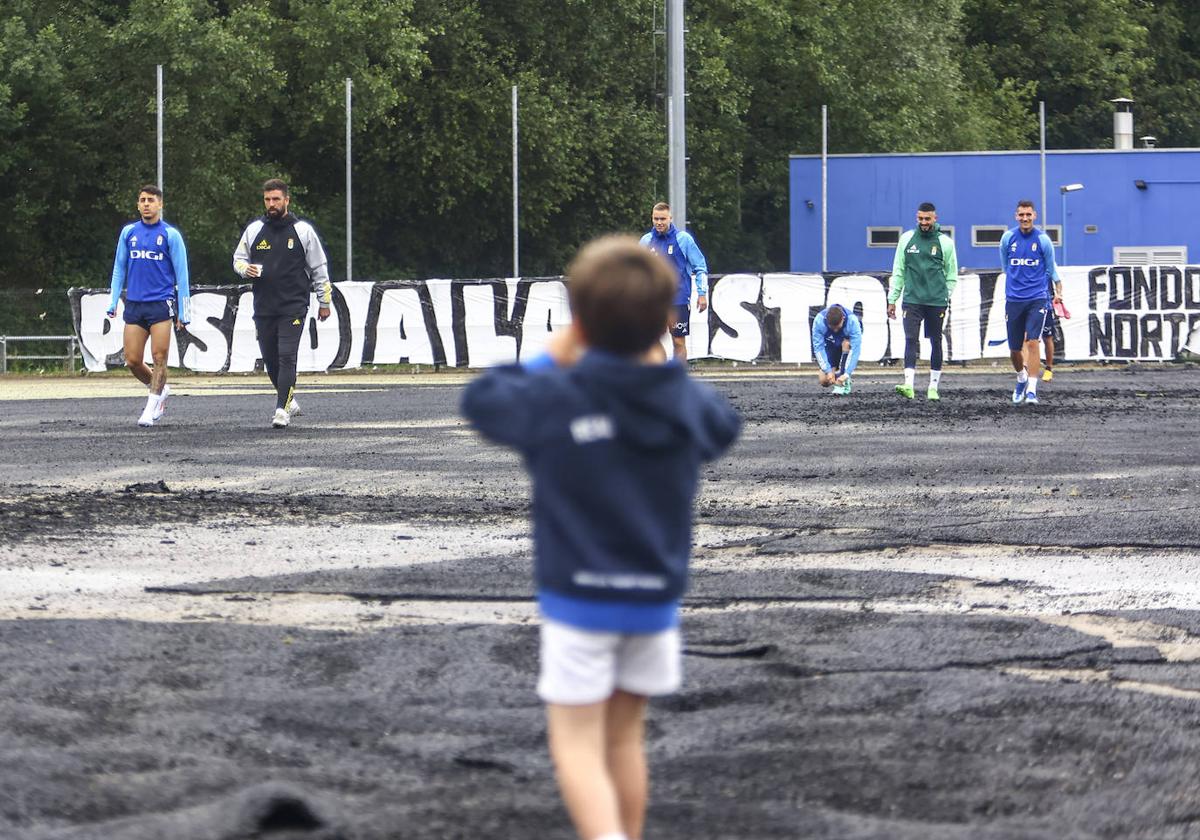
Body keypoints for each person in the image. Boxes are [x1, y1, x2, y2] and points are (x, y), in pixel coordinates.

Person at [461, 236, 740, 840]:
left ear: (580, 320)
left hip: (578, 598)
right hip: (653, 601)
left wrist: (558, 350)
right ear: (665, 322)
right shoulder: (680, 399)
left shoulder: (555, 394)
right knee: (623, 739)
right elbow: (723, 423)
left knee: (578, 744)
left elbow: (481, 399)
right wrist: (657, 363)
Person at [232, 179, 332, 427]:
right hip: (264, 306)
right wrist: (246, 269)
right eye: (267, 199)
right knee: (270, 359)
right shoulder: (255, 229)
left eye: (276, 199)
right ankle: (288, 399)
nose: (271, 204)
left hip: (293, 305)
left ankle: (281, 410)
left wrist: (324, 300)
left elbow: (319, 268)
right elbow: (238, 259)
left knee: (287, 356)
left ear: (287, 200)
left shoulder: (303, 231)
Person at [106, 184, 191, 427]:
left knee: (159, 357)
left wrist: (184, 311)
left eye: (151, 200)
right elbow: (119, 268)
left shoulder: (170, 235)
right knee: (132, 360)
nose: (146, 204)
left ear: (160, 204)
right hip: (135, 305)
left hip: (160, 305)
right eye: (142, 200)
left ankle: (151, 407)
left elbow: (182, 275)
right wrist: (113, 301)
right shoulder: (128, 233)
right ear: (137, 204)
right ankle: (160, 388)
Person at [887, 202, 958, 401]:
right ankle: (908, 384)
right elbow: (898, 271)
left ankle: (933, 387)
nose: (924, 222)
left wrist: (945, 295)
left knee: (935, 340)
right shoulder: (906, 239)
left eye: (928, 219)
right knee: (910, 339)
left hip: (936, 302)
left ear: (935, 218)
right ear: (916, 218)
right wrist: (892, 299)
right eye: (920, 219)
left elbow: (952, 275)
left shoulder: (945, 243)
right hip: (912, 300)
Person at [1000, 200, 1062, 405]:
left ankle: (1032, 390)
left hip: (1037, 298)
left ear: (1034, 215)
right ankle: (1021, 378)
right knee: (1015, 349)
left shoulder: (1043, 240)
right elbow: (1006, 266)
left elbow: (1052, 269)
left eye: (1028, 214)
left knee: (1033, 342)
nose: (1025, 218)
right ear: (1016, 216)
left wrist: (1057, 292)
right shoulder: (1008, 238)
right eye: (1021, 215)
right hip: (1014, 300)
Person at [639, 202, 709, 362]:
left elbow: (700, 266)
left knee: (678, 340)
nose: (659, 222)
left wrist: (702, 293)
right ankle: (661, 374)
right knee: (652, 340)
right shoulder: (645, 241)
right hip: (654, 300)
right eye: (656, 219)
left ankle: (678, 377)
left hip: (678, 298)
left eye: (662, 219)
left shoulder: (683, 239)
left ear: (670, 218)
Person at [811, 303, 862, 395]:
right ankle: (837, 373)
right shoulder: (819, 321)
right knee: (824, 381)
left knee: (846, 343)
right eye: (832, 328)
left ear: (843, 319)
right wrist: (828, 371)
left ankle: (844, 379)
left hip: (846, 345)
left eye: (837, 327)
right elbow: (818, 348)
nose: (835, 330)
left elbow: (856, 349)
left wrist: (847, 373)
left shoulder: (852, 321)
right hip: (831, 345)